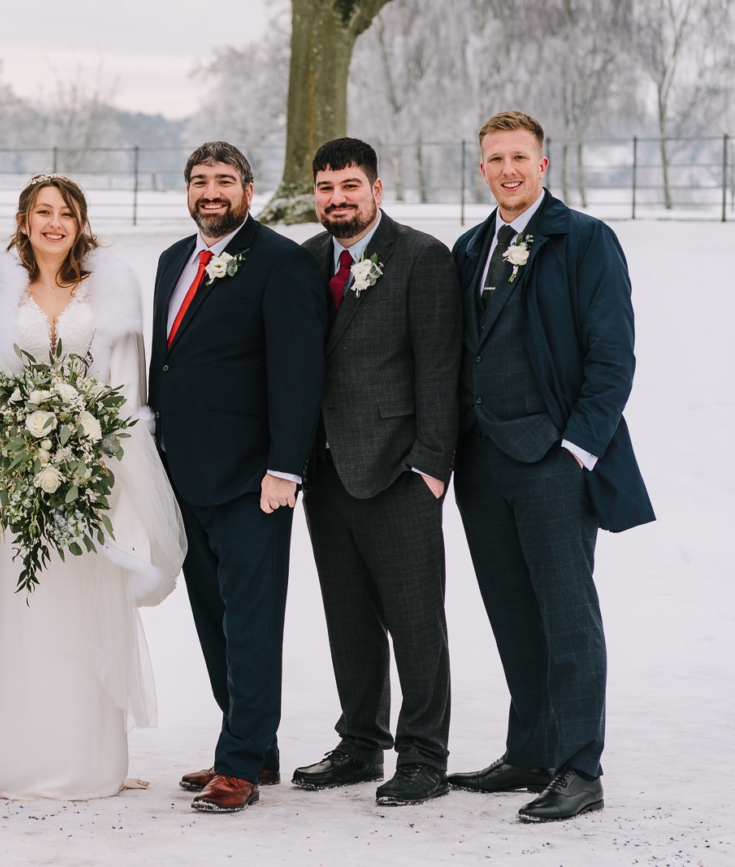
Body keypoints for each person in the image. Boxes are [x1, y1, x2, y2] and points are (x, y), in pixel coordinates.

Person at [0, 174, 185, 800]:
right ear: (23, 221)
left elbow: (128, 388)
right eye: (42, 212)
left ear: (80, 222)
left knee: (86, 612)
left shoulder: (110, 290)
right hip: (20, 478)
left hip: (95, 479)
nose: (54, 223)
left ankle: (92, 760)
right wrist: (13, 453)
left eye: (66, 213)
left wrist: (96, 455)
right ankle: (27, 757)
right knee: (29, 612)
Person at [446, 111, 654, 822]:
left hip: (553, 463)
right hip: (482, 465)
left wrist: (577, 449)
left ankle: (579, 768)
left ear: (542, 164)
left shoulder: (585, 239)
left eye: (519, 157)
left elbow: (612, 356)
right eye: (495, 158)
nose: (507, 169)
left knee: (568, 620)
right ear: (482, 168)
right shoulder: (469, 246)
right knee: (512, 615)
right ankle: (531, 751)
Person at [148, 142, 328, 813]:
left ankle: (240, 764)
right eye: (199, 180)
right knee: (213, 621)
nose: (211, 191)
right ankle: (252, 746)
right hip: (183, 476)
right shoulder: (173, 259)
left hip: (253, 481)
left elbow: (298, 374)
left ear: (248, 191)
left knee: (251, 623)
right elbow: (168, 365)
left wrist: (285, 468)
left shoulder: (281, 262)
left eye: (224, 180)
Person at [291, 138, 462, 806]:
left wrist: (432, 467)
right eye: (326, 188)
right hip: (327, 471)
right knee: (349, 619)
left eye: (350, 186)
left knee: (416, 624)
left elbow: (440, 369)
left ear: (376, 189)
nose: (337, 199)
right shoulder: (307, 260)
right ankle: (361, 743)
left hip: (399, 471)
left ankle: (423, 756)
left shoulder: (421, 257)